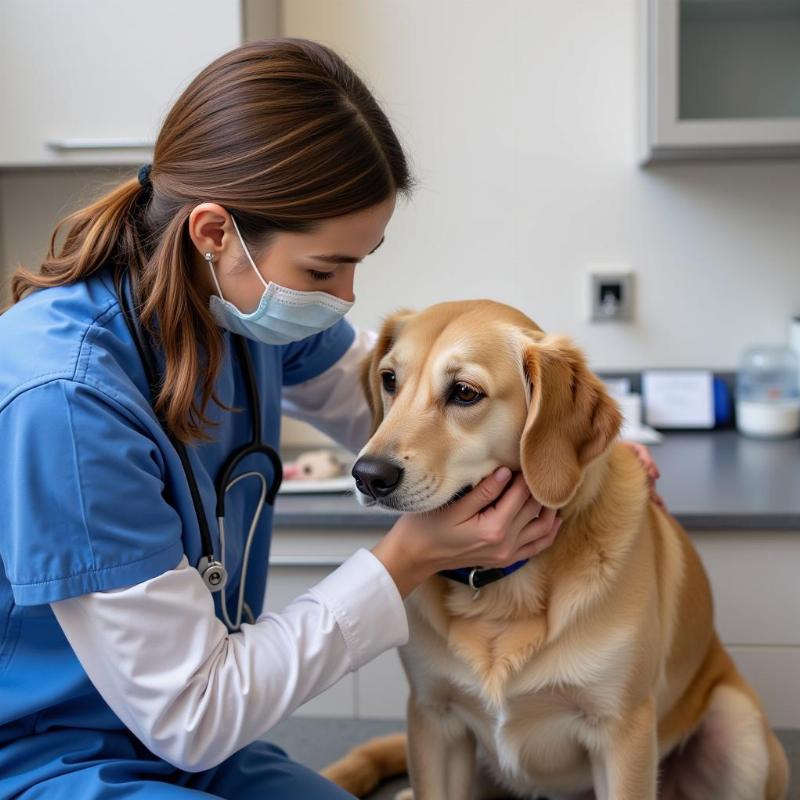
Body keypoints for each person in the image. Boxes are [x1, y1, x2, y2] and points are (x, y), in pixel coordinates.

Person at [0, 38, 660, 799]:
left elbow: (391, 411)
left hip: (180, 749)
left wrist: (585, 447)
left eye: (359, 262)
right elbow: (193, 709)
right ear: (215, 234)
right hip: (49, 758)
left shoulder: (238, 306)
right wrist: (407, 557)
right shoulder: (66, 400)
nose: (345, 300)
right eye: (323, 270)